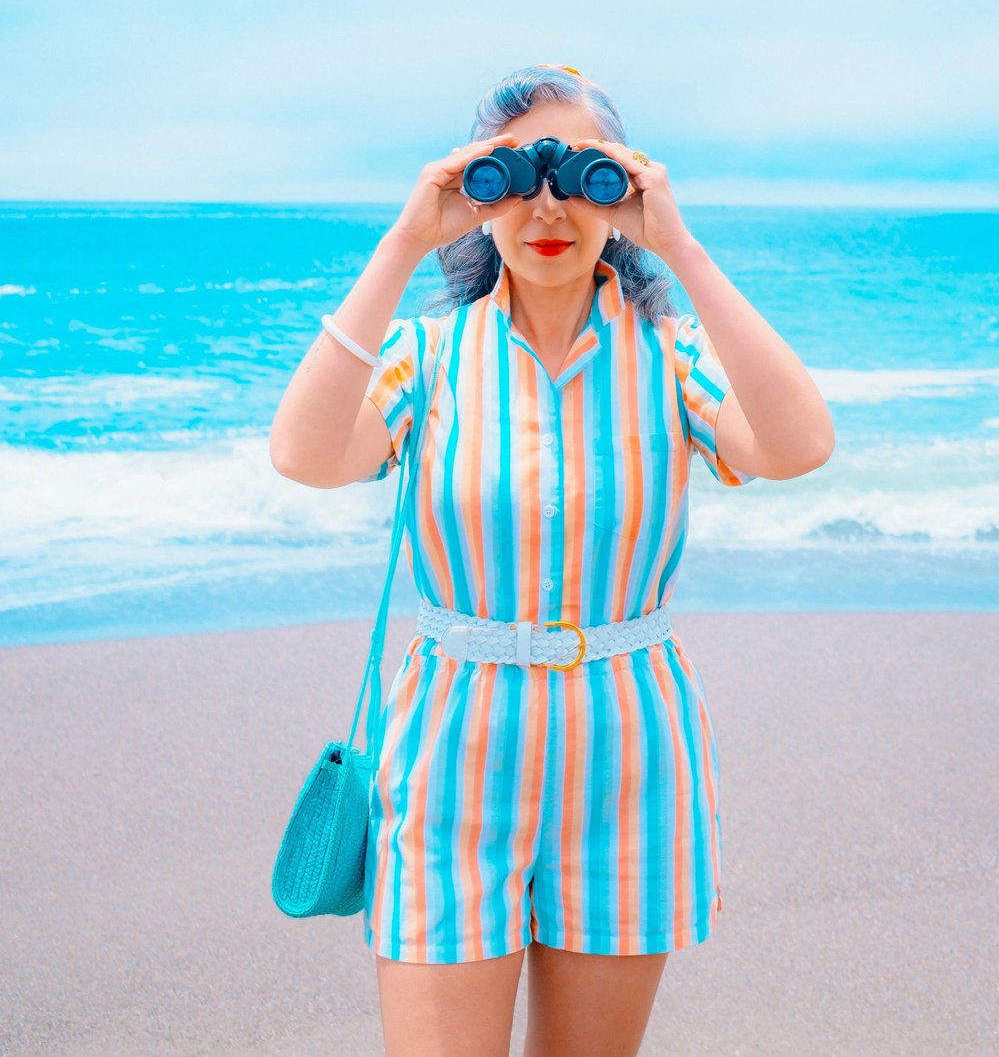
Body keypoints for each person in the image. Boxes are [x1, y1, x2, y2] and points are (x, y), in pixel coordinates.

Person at [270, 63, 835, 1057]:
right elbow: (304, 456)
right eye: (511, 177)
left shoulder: (670, 359)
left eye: (579, 175)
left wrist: (684, 250)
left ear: (622, 190)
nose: (546, 205)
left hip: (629, 762)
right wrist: (406, 239)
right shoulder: (428, 359)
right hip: (453, 755)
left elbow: (796, 445)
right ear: (472, 199)